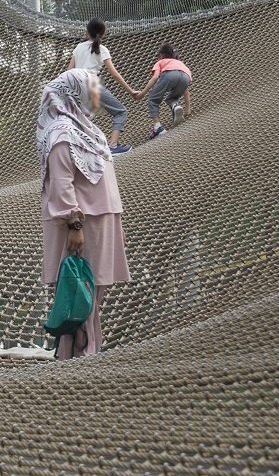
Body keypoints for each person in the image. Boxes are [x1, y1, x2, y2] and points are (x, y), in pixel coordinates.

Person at [36, 69, 130, 360]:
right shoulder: (61, 132)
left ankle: (86, 350)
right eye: (91, 89)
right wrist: (74, 226)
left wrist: (117, 223)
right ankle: (80, 354)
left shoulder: (90, 130)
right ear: (73, 93)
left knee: (93, 291)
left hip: (103, 220)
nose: (96, 95)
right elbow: (61, 183)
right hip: (81, 224)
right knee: (78, 290)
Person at [67, 18, 137, 154]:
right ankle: (113, 146)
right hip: (92, 84)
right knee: (120, 112)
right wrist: (131, 91)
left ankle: (80, 149)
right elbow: (115, 74)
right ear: (103, 33)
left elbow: (69, 70)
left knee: (84, 118)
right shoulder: (102, 49)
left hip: (77, 86)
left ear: (87, 32)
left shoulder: (78, 47)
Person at [134, 44, 194, 139]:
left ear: (161, 55)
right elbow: (185, 90)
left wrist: (142, 93)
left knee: (153, 100)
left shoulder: (160, 62)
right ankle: (176, 105)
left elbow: (155, 78)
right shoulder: (179, 63)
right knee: (172, 98)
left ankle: (158, 127)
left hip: (169, 75)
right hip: (186, 77)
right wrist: (188, 108)